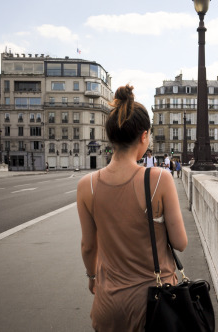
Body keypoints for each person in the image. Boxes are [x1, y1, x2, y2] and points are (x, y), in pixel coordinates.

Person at [76, 85, 188, 331]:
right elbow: (180, 242)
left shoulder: (87, 185)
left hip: (109, 305)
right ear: (144, 136)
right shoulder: (159, 179)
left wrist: (92, 277)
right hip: (155, 306)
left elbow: (88, 246)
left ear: (111, 136)